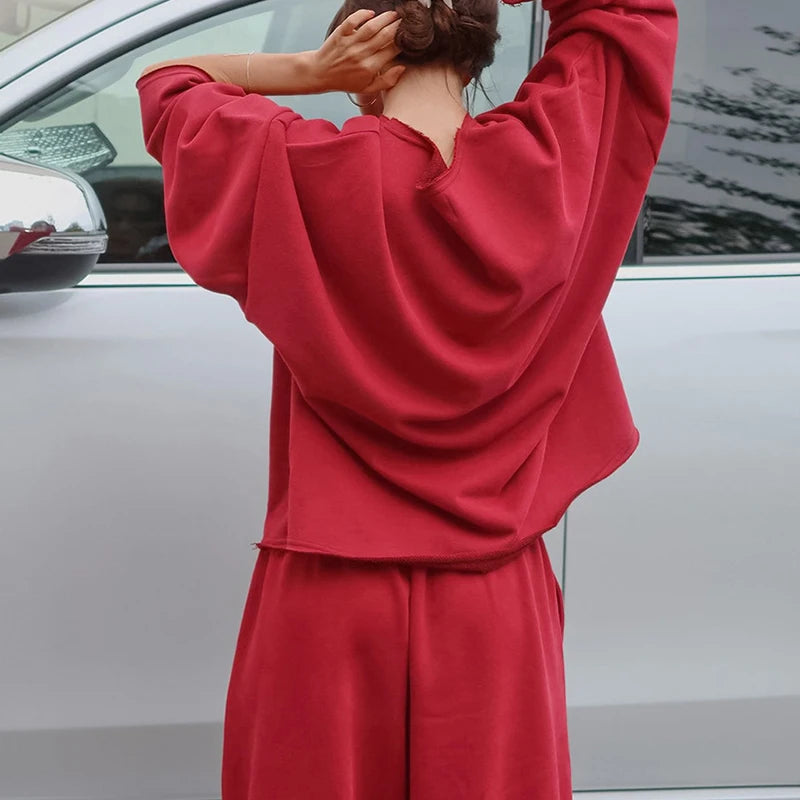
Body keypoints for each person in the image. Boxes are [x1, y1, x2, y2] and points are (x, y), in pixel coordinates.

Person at [136, 0, 678, 796]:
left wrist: (309, 73)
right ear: (477, 52)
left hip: (330, 590)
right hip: (492, 595)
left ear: (359, 53)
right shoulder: (553, 164)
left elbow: (165, 82)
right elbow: (629, 15)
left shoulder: (295, 166)